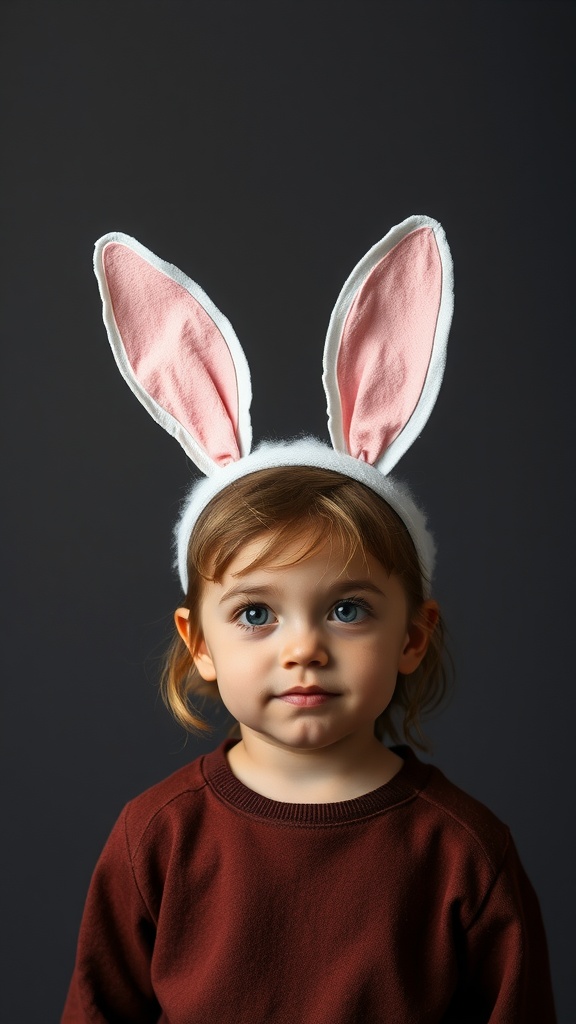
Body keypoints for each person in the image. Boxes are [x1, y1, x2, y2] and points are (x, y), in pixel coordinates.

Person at [62, 217, 556, 1022]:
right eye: (255, 612)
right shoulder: (155, 837)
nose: (304, 649)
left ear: (412, 636)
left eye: (348, 609)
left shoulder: (464, 851)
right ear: (200, 643)